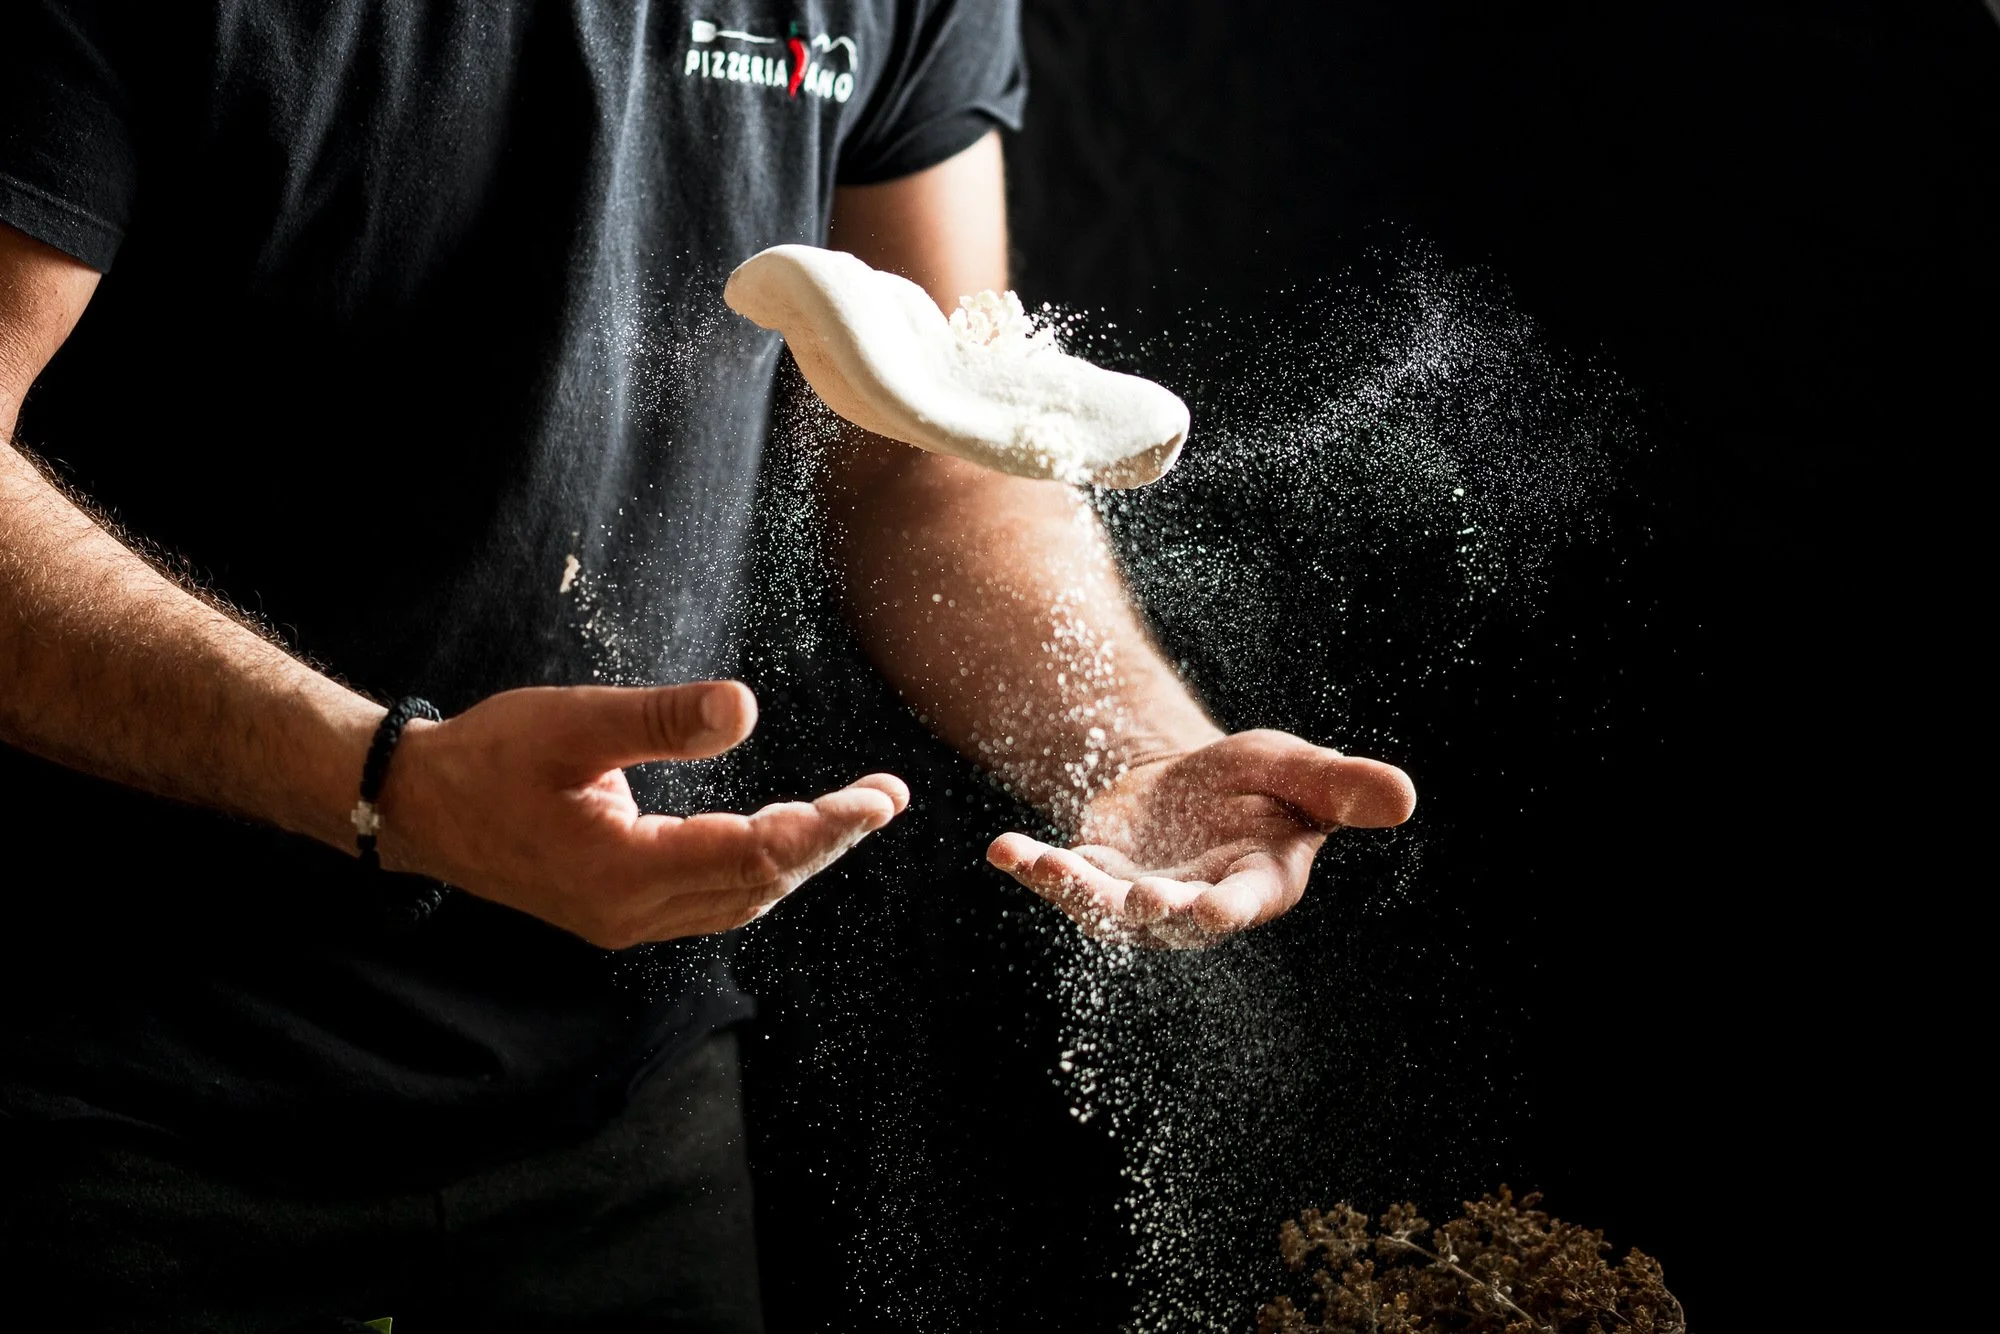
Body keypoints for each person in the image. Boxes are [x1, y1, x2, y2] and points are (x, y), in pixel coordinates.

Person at [0, 2, 1416, 1329]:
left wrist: (1129, 744)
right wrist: (391, 782)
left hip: (619, 1103)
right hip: (108, 1088)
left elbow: (933, 452)